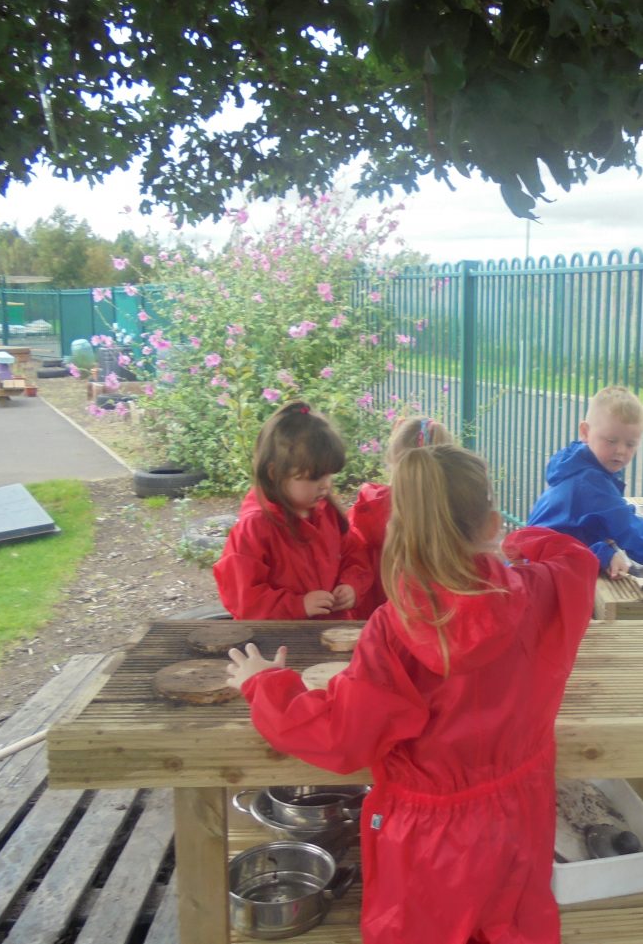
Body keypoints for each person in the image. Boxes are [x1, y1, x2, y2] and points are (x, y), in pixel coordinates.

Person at [226, 444, 599, 944]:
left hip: (428, 838)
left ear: (400, 531)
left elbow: (341, 737)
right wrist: (518, 541)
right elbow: (575, 559)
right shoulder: (538, 591)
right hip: (519, 814)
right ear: (491, 524)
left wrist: (265, 684)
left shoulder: (396, 629)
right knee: (509, 927)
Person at [214, 400, 371, 620]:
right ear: (275, 473)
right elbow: (243, 599)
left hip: (331, 631)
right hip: (279, 637)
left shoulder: (327, 512)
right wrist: (298, 605)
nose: (325, 485)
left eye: (329, 475)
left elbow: (354, 556)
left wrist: (351, 586)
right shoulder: (255, 528)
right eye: (314, 477)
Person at [527, 385, 643, 580]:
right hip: (540, 571)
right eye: (611, 440)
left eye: (630, 444)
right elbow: (626, 525)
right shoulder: (590, 480)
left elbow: (576, 528)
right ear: (585, 432)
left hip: (538, 557)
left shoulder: (576, 464)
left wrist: (602, 550)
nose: (621, 450)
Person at [348, 415, 455, 617]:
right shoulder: (456, 514)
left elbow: (351, 554)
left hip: (375, 618)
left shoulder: (371, 509)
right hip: (434, 621)